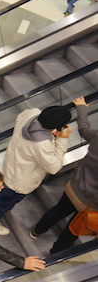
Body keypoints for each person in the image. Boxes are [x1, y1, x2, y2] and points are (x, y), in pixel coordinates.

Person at [0, 106, 71, 236]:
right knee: (5, 203)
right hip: (20, 182)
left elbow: (22, 117)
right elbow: (54, 167)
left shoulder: (31, 114)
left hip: (10, 167)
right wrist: (62, 140)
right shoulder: (41, 144)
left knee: (1, 197)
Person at [32, 97, 98, 253]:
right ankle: (55, 254)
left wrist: (81, 109)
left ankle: (37, 230)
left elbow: (83, 129)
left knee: (59, 210)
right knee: (74, 228)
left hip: (75, 187)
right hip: (92, 204)